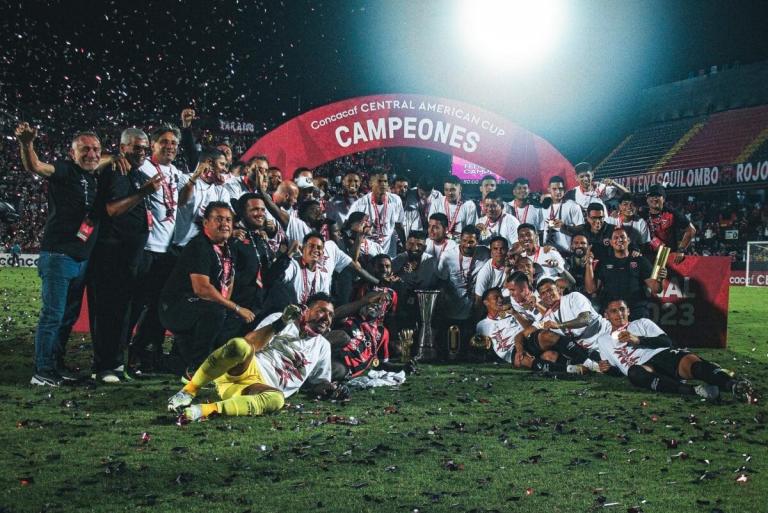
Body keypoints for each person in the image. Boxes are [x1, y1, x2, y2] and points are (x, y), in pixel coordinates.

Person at [167, 295, 349, 421]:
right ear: (306, 310)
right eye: (321, 311)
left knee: (276, 400)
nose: (326, 317)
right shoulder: (282, 319)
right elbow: (250, 344)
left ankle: (203, 411)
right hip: (244, 369)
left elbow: (319, 382)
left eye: (331, 315)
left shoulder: (323, 346)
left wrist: (332, 389)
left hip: (253, 391)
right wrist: (281, 323)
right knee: (238, 345)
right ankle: (188, 391)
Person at [16, 122, 102, 386]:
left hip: (81, 258)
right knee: (53, 316)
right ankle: (42, 371)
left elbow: (104, 159)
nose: (91, 154)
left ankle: (56, 364)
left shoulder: (93, 175)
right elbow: (35, 166)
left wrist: (118, 156)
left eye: (95, 149)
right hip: (58, 256)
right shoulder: (64, 170)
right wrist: (27, 143)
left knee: (67, 317)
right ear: (72, 153)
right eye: (84, 149)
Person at [89, 128, 162, 382]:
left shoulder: (136, 174)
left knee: (123, 311)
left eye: (144, 148)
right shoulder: (115, 171)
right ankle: (103, 366)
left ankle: (116, 363)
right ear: (122, 148)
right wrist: (144, 192)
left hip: (130, 254)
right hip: (111, 254)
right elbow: (111, 210)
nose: (141, 152)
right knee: (108, 311)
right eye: (135, 147)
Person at [159, 202, 256, 374]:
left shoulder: (229, 248)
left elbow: (228, 282)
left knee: (228, 315)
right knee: (216, 311)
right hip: (175, 308)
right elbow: (202, 289)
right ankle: (197, 369)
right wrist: (235, 307)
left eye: (228, 220)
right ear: (205, 223)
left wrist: (231, 309)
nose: (225, 224)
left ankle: (184, 359)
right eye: (218, 219)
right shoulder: (199, 246)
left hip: (199, 306)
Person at [597, 300, 756, 403]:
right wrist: (608, 369)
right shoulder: (603, 340)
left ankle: (734, 385)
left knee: (696, 367)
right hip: (645, 368)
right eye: (614, 311)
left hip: (663, 355)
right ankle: (696, 391)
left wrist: (639, 340)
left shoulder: (641, 323)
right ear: (606, 315)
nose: (619, 314)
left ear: (628, 311)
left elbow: (666, 342)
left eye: (622, 309)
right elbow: (617, 370)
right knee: (634, 373)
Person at [129, 125, 189, 373]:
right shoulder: (142, 167)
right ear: (152, 145)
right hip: (146, 249)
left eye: (174, 143)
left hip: (168, 252)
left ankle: (145, 353)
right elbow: (117, 162)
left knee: (158, 308)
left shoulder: (175, 172)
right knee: (135, 305)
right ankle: (120, 356)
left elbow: (195, 177)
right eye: (164, 141)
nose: (170, 146)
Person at [585, 227, 664, 319]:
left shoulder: (640, 261)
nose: (619, 239)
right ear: (611, 242)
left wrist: (660, 278)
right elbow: (591, 290)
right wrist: (589, 264)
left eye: (622, 237)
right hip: (612, 310)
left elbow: (656, 289)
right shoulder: (604, 262)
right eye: (616, 238)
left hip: (636, 308)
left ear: (628, 240)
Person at [435, 225, 489, 358]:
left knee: (468, 345)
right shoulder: (448, 255)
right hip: (453, 304)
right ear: (460, 239)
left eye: (471, 242)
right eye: (464, 241)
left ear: (477, 241)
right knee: (451, 343)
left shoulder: (484, 253)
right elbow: (441, 281)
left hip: (475, 305)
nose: (467, 245)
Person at [172, 148, 231, 248]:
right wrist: (195, 177)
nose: (225, 170)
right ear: (209, 162)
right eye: (222, 164)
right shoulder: (185, 179)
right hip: (179, 245)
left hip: (204, 247)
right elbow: (181, 202)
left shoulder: (221, 191)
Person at [350, 170, 406, 257]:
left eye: (385, 181)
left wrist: (405, 245)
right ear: (370, 183)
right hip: (368, 251)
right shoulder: (360, 204)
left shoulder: (396, 200)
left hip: (389, 250)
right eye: (379, 181)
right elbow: (351, 229)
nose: (383, 184)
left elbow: (399, 225)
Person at [474, 287, 533, 363]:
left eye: (501, 297)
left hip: (529, 341)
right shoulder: (481, 325)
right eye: (496, 298)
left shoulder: (513, 311)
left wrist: (515, 313)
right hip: (512, 351)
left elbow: (531, 328)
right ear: (486, 302)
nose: (500, 300)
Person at [641, 184, 696, 263]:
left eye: (657, 196)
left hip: (668, 258)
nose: (654, 198)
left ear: (663, 199)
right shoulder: (642, 214)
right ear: (647, 199)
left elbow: (691, 230)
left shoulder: (672, 213)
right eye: (651, 196)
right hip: (646, 258)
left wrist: (681, 250)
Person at [540, 176, 584, 255]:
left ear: (564, 189)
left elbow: (581, 230)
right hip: (549, 251)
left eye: (560, 188)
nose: (558, 192)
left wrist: (565, 227)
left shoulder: (573, 206)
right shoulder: (544, 207)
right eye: (554, 189)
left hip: (567, 251)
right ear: (549, 190)